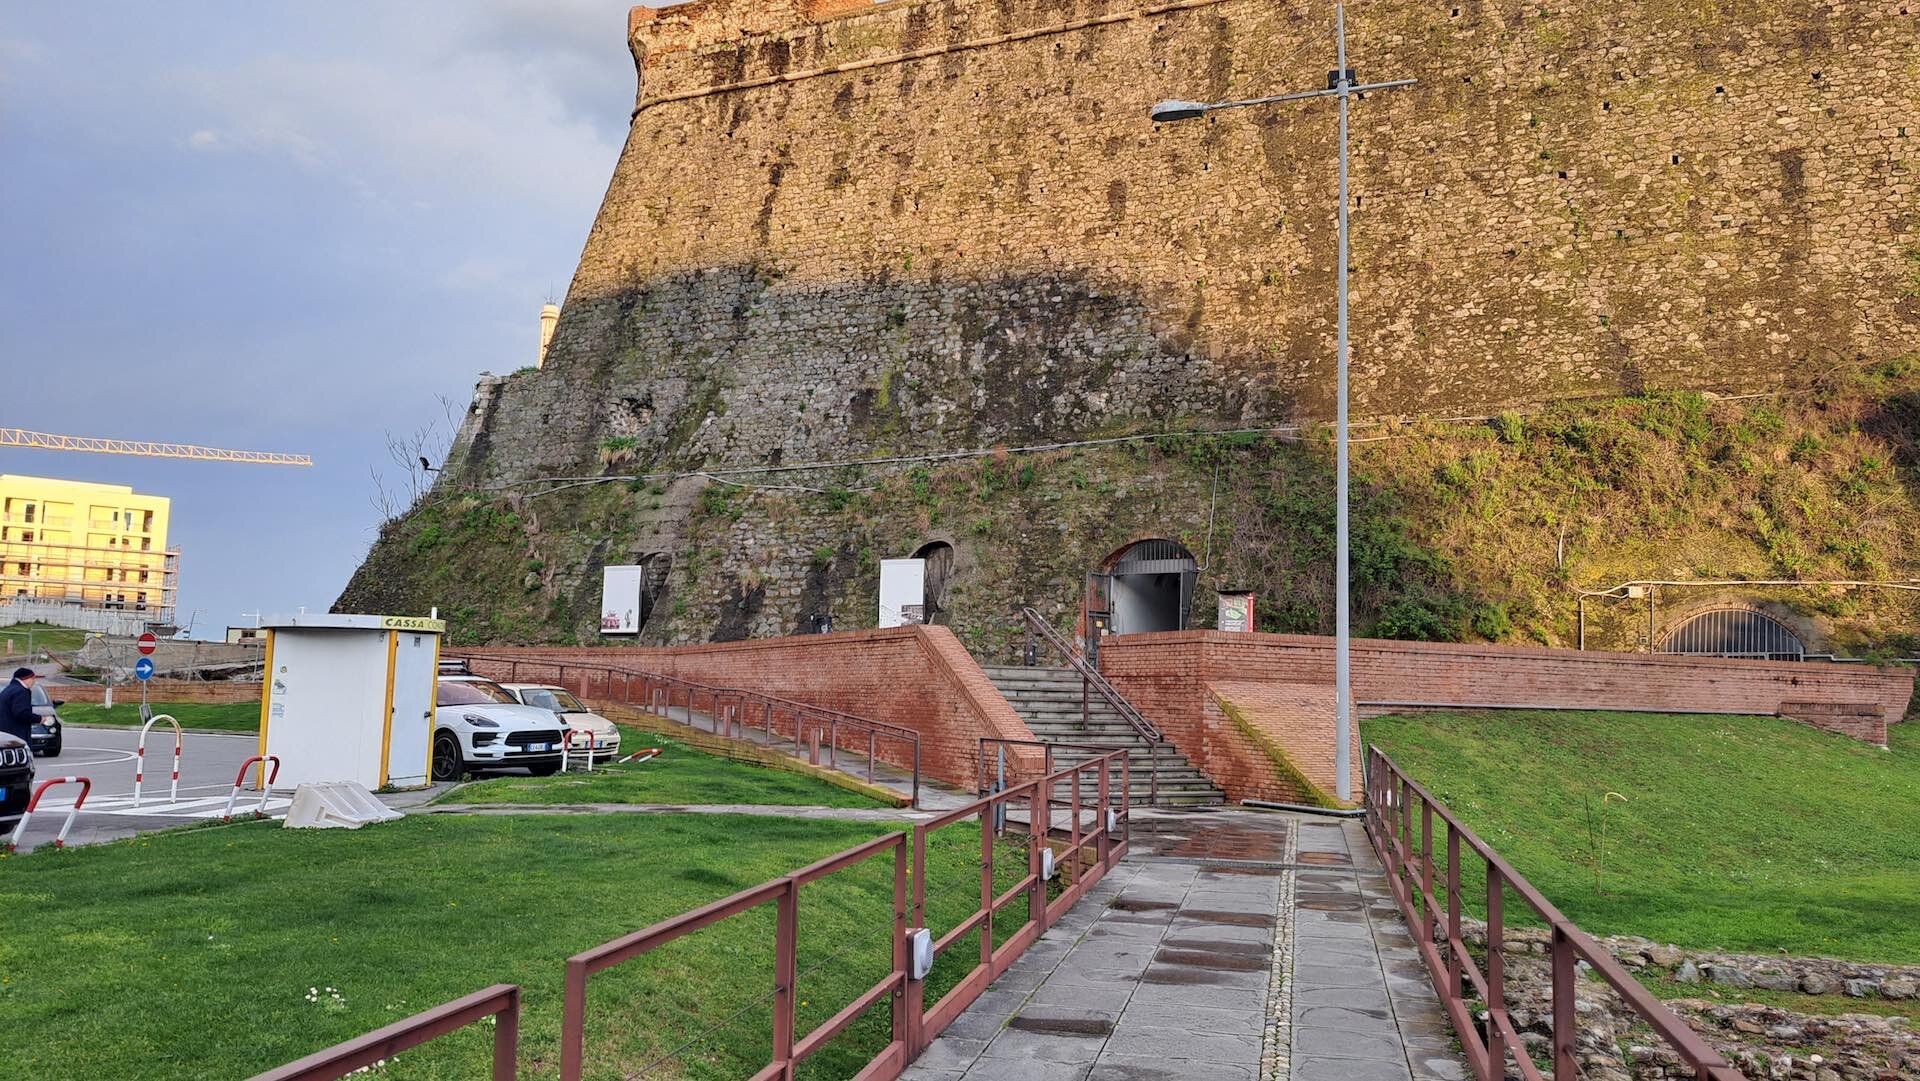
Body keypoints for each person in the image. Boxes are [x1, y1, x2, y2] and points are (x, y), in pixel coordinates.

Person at [0, 667, 36, 744]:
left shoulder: (8, 689)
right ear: (26, 678)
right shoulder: (21, 691)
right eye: (33, 678)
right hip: (17, 735)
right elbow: (21, 713)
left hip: (6, 733)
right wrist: (40, 719)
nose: (34, 681)